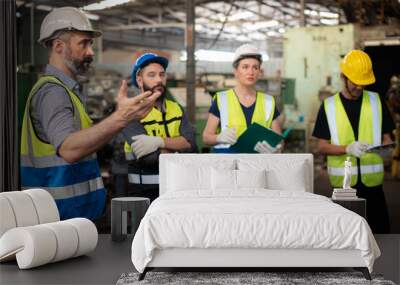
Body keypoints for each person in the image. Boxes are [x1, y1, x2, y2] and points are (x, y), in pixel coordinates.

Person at [20, 7, 161, 221]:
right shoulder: (53, 92)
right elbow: (69, 149)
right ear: (59, 46)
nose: (91, 52)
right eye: (83, 43)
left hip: (74, 215)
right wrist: (121, 117)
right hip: (58, 217)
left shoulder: (69, 91)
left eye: (90, 44)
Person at [312, 49, 395, 233]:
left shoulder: (377, 101)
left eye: (363, 83)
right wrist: (347, 148)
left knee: (379, 234)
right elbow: (321, 146)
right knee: (346, 235)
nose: (359, 87)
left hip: (373, 185)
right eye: (356, 82)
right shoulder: (329, 106)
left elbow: (387, 139)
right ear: (343, 77)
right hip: (343, 186)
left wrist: (386, 151)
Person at [122, 53, 197, 202]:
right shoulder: (131, 112)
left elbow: (192, 146)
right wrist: (179, 148)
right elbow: (148, 158)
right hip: (143, 193)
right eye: (152, 75)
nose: (158, 80)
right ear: (139, 80)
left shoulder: (176, 108)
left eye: (162, 75)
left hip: (177, 189)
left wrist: (159, 143)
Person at [202, 44, 282, 153]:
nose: (251, 72)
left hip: (258, 164)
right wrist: (218, 138)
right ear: (235, 71)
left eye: (255, 67)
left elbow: (279, 140)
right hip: (228, 163)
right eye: (245, 67)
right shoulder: (222, 99)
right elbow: (206, 137)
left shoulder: (269, 102)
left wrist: (277, 148)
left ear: (259, 72)